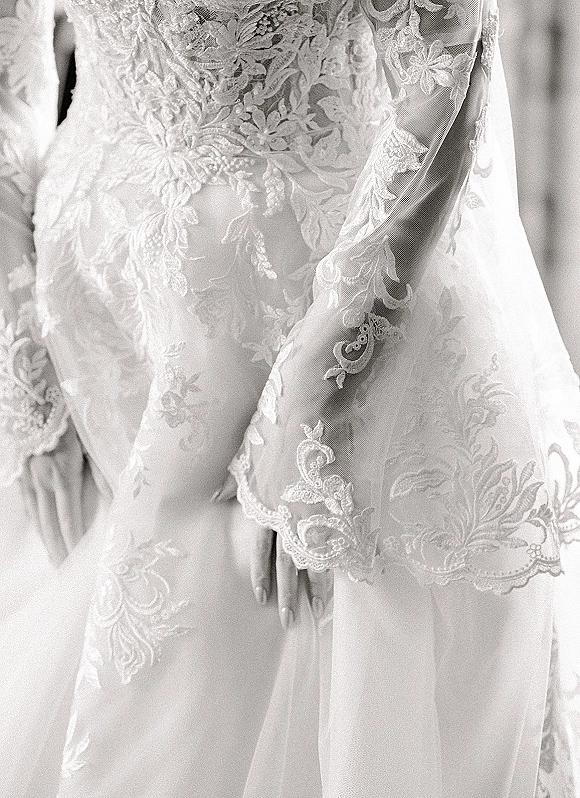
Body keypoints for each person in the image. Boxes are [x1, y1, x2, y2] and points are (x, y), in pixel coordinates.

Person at [1, 0, 579, 795]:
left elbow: (446, 56)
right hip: (97, 327)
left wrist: (313, 396)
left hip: (312, 301)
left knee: (259, 679)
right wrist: (23, 358)